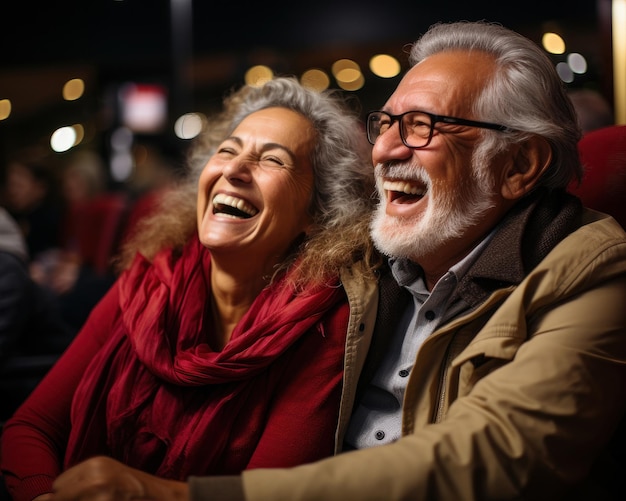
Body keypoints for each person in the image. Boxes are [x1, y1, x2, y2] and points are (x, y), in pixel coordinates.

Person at [40, 20, 626, 501]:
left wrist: (180, 496)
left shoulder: (594, 269)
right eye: (387, 123)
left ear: (519, 165)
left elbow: (489, 455)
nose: (387, 150)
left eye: (422, 127)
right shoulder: (360, 263)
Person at [0, 76, 382, 501]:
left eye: (273, 160)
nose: (234, 170)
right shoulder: (149, 281)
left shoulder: (325, 323)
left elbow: (266, 494)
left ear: (317, 211)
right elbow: (30, 427)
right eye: (227, 150)